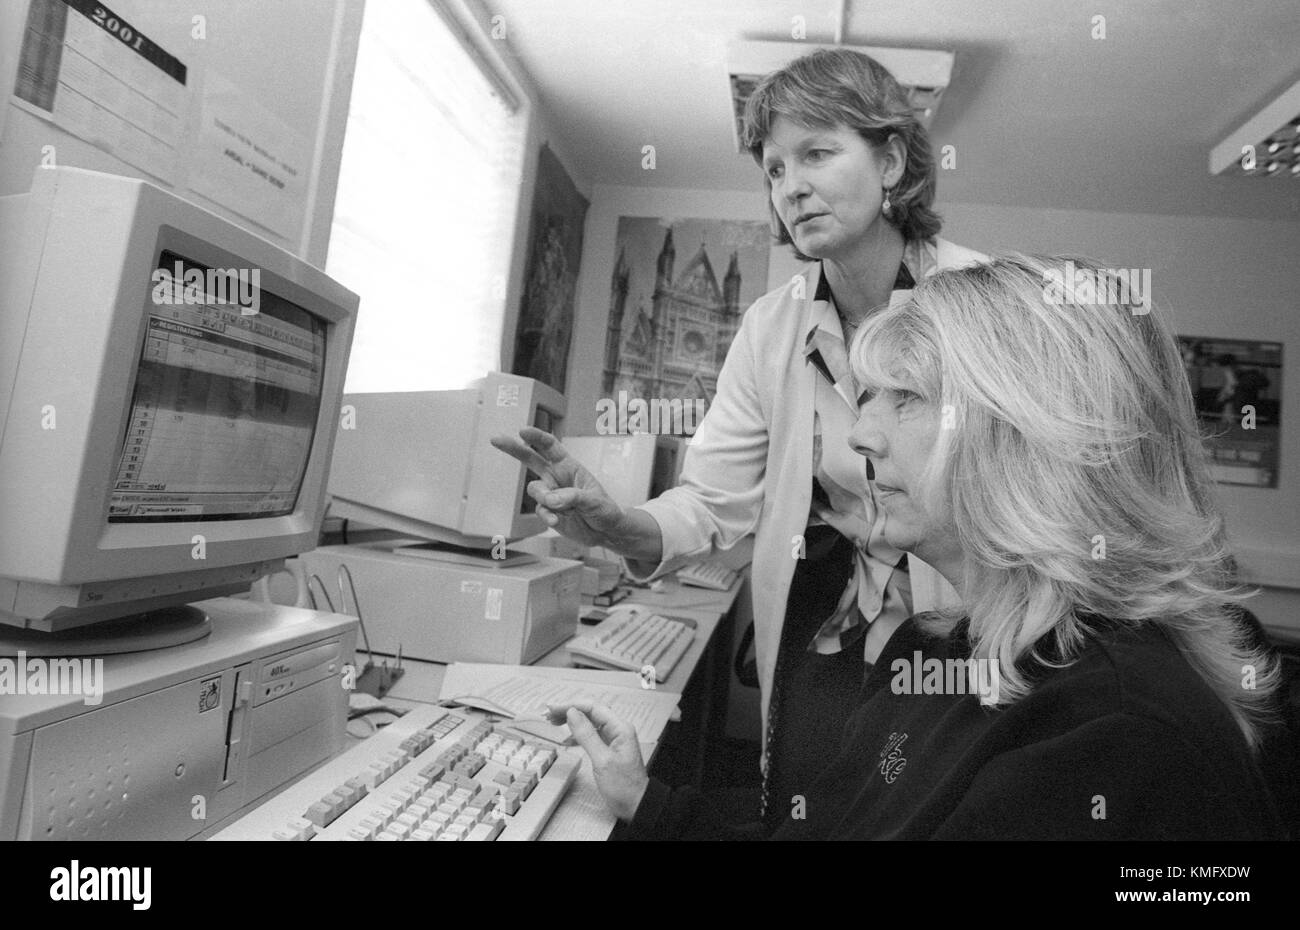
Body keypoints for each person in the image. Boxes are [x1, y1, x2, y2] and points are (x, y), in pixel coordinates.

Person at [548, 255, 1286, 840]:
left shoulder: (1120, 739)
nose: (861, 438)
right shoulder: (935, 655)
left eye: (904, 398)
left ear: (1028, 437)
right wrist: (649, 802)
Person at [493, 48, 983, 825]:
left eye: (818, 153)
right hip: (820, 619)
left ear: (891, 161)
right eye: (774, 168)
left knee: (927, 806)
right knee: (804, 808)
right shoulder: (770, 325)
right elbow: (713, 498)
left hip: (961, 625)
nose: (791, 185)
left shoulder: (982, 304)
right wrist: (624, 523)